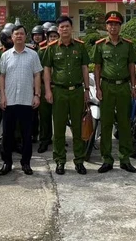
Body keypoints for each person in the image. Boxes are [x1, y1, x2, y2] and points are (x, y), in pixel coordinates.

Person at [43, 16, 90, 175]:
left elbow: (84, 68)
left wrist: (87, 89)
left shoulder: (80, 47)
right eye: (61, 27)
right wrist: (48, 90)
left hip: (77, 91)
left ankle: (79, 161)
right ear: (58, 30)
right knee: (59, 127)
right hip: (59, 92)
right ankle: (60, 161)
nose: (64, 29)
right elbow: (47, 70)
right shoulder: (51, 48)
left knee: (77, 127)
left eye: (67, 26)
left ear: (71, 28)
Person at [93, 11, 136, 174]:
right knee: (106, 123)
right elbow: (97, 68)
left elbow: (132, 67)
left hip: (124, 87)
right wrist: (97, 88)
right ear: (106, 27)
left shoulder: (128, 45)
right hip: (107, 87)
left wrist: (133, 87)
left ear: (120, 26)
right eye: (110, 24)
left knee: (125, 124)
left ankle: (125, 159)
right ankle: (107, 159)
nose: (113, 27)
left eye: (116, 24)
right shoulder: (100, 45)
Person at [0, 24, 43, 176]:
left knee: (26, 134)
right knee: (8, 134)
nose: (19, 36)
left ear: (26, 36)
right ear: (12, 37)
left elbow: (37, 75)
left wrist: (37, 94)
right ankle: (7, 162)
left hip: (27, 100)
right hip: (9, 100)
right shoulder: (5, 55)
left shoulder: (33, 55)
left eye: (21, 34)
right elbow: (2, 76)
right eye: (16, 34)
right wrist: (2, 96)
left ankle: (26, 163)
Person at [36, 26, 59, 153]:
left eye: (55, 36)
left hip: (59, 86)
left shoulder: (62, 50)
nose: (53, 39)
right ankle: (44, 140)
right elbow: (38, 73)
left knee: (58, 117)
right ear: (47, 38)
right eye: (51, 37)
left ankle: (58, 141)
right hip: (45, 86)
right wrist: (38, 91)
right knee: (44, 116)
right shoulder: (42, 51)